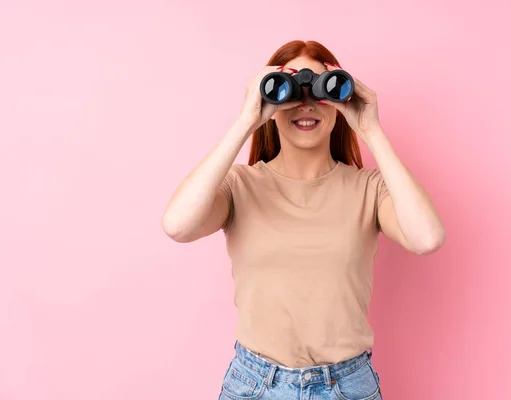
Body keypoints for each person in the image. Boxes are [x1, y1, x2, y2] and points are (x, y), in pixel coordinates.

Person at [161, 40, 445, 400]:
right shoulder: (240, 185)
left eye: (321, 90)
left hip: (348, 385)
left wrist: (370, 129)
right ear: (269, 103)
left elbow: (427, 238)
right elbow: (177, 225)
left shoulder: (369, 189)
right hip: (254, 384)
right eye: (290, 90)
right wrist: (246, 120)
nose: (306, 103)